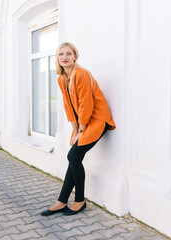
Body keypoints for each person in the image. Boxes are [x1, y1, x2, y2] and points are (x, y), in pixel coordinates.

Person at [41, 42, 116, 216]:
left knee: (73, 156)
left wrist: (81, 131)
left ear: (75, 56)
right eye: (61, 54)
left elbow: (86, 105)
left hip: (98, 119)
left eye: (68, 54)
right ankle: (61, 201)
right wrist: (75, 130)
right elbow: (69, 107)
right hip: (83, 123)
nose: (64, 57)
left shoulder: (81, 74)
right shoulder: (61, 78)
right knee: (75, 158)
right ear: (57, 59)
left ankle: (80, 200)